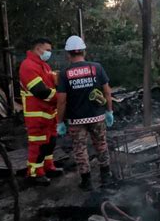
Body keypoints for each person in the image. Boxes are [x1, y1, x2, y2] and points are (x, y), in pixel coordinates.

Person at [56, 35, 114, 190]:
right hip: (97, 116)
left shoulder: (64, 73)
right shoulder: (97, 67)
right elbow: (107, 92)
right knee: (101, 145)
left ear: (68, 54)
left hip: (76, 120)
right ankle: (106, 177)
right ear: (83, 51)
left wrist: (59, 121)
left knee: (80, 149)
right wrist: (109, 111)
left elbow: (61, 100)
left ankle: (87, 182)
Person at [19, 37, 63, 186]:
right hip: (36, 114)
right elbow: (40, 91)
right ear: (38, 49)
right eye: (48, 50)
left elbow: (53, 80)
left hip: (49, 113)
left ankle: (48, 167)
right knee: (38, 145)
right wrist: (61, 98)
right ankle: (34, 174)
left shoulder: (44, 66)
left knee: (51, 142)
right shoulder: (28, 66)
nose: (49, 53)